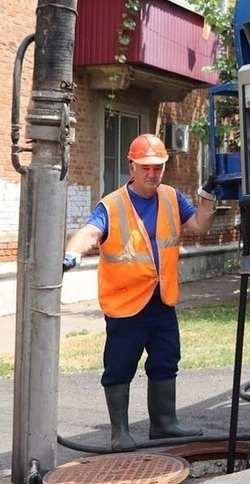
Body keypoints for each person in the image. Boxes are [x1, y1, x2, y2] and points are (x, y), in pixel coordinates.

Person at [62, 133, 219, 452]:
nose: (153, 173)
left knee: (166, 360)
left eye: (159, 167)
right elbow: (90, 232)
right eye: (146, 167)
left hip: (162, 300)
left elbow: (200, 226)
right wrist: (73, 253)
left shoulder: (172, 197)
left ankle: (164, 424)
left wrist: (208, 195)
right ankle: (119, 432)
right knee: (119, 365)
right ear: (131, 166)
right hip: (125, 305)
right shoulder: (113, 204)